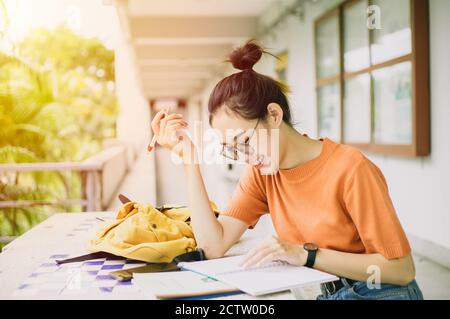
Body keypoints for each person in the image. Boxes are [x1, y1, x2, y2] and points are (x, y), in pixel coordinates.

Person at [150, 39, 424, 300]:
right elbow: (212, 246)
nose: (244, 157)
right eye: (232, 149)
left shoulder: (351, 168)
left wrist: (307, 254)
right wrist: (189, 159)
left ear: (274, 115)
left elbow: (401, 269)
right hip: (330, 290)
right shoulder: (262, 174)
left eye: (244, 141)